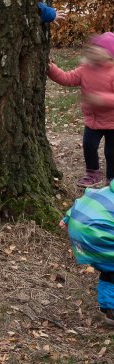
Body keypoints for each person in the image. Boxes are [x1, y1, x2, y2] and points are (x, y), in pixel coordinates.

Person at [48, 32, 114, 188]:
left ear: (109, 55)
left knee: (111, 153)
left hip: (112, 123)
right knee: (89, 146)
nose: (94, 50)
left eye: (100, 48)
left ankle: (112, 178)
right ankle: (92, 174)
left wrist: (101, 99)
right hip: (92, 121)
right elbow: (67, 78)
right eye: (94, 47)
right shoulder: (85, 69)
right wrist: (51, 69)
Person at [63, 180, 114, 324]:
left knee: (109, 269)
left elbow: (88, 198)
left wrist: (67, 216)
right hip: (100, 235)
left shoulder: (106, 191)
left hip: (81, 227)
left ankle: (106, 306)